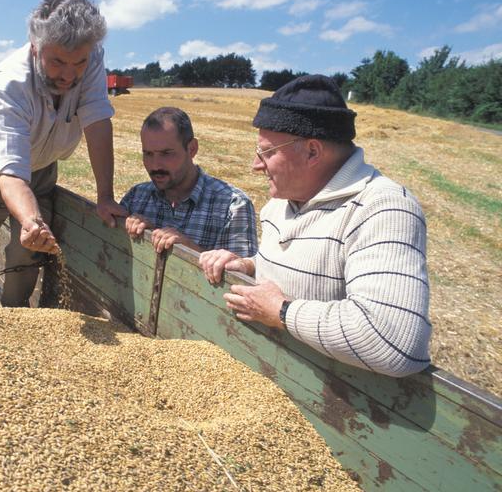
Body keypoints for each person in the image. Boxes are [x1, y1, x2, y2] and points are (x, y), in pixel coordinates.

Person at [199, 75, 431, 377]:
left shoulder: (383, 208)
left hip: (338, 403)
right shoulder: (281, 202)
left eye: (267, 152)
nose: (256, 165)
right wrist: (247, 265)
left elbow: (393, 339)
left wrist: (282, 312)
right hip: (270, 372)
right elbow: (293, 267)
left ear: (312, 151)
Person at [0, 0, 126, 306]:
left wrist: (105, 196)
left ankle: (17, 320)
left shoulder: (90, 57)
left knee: (28, 254)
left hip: (43, 170)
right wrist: (31, 220)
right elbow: (10, 172)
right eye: (57, 61)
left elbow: (98, 120)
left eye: (79, 63)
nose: (69, 75)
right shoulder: (9, 82)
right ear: (36, 47)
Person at [121, 107, 257, 256]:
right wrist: (142, 234)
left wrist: (188, 251)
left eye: (166, 154)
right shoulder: (137, 197)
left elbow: (238, 276)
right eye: (148, 154)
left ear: (192, 149)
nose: (155, 165)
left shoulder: (232, 206)